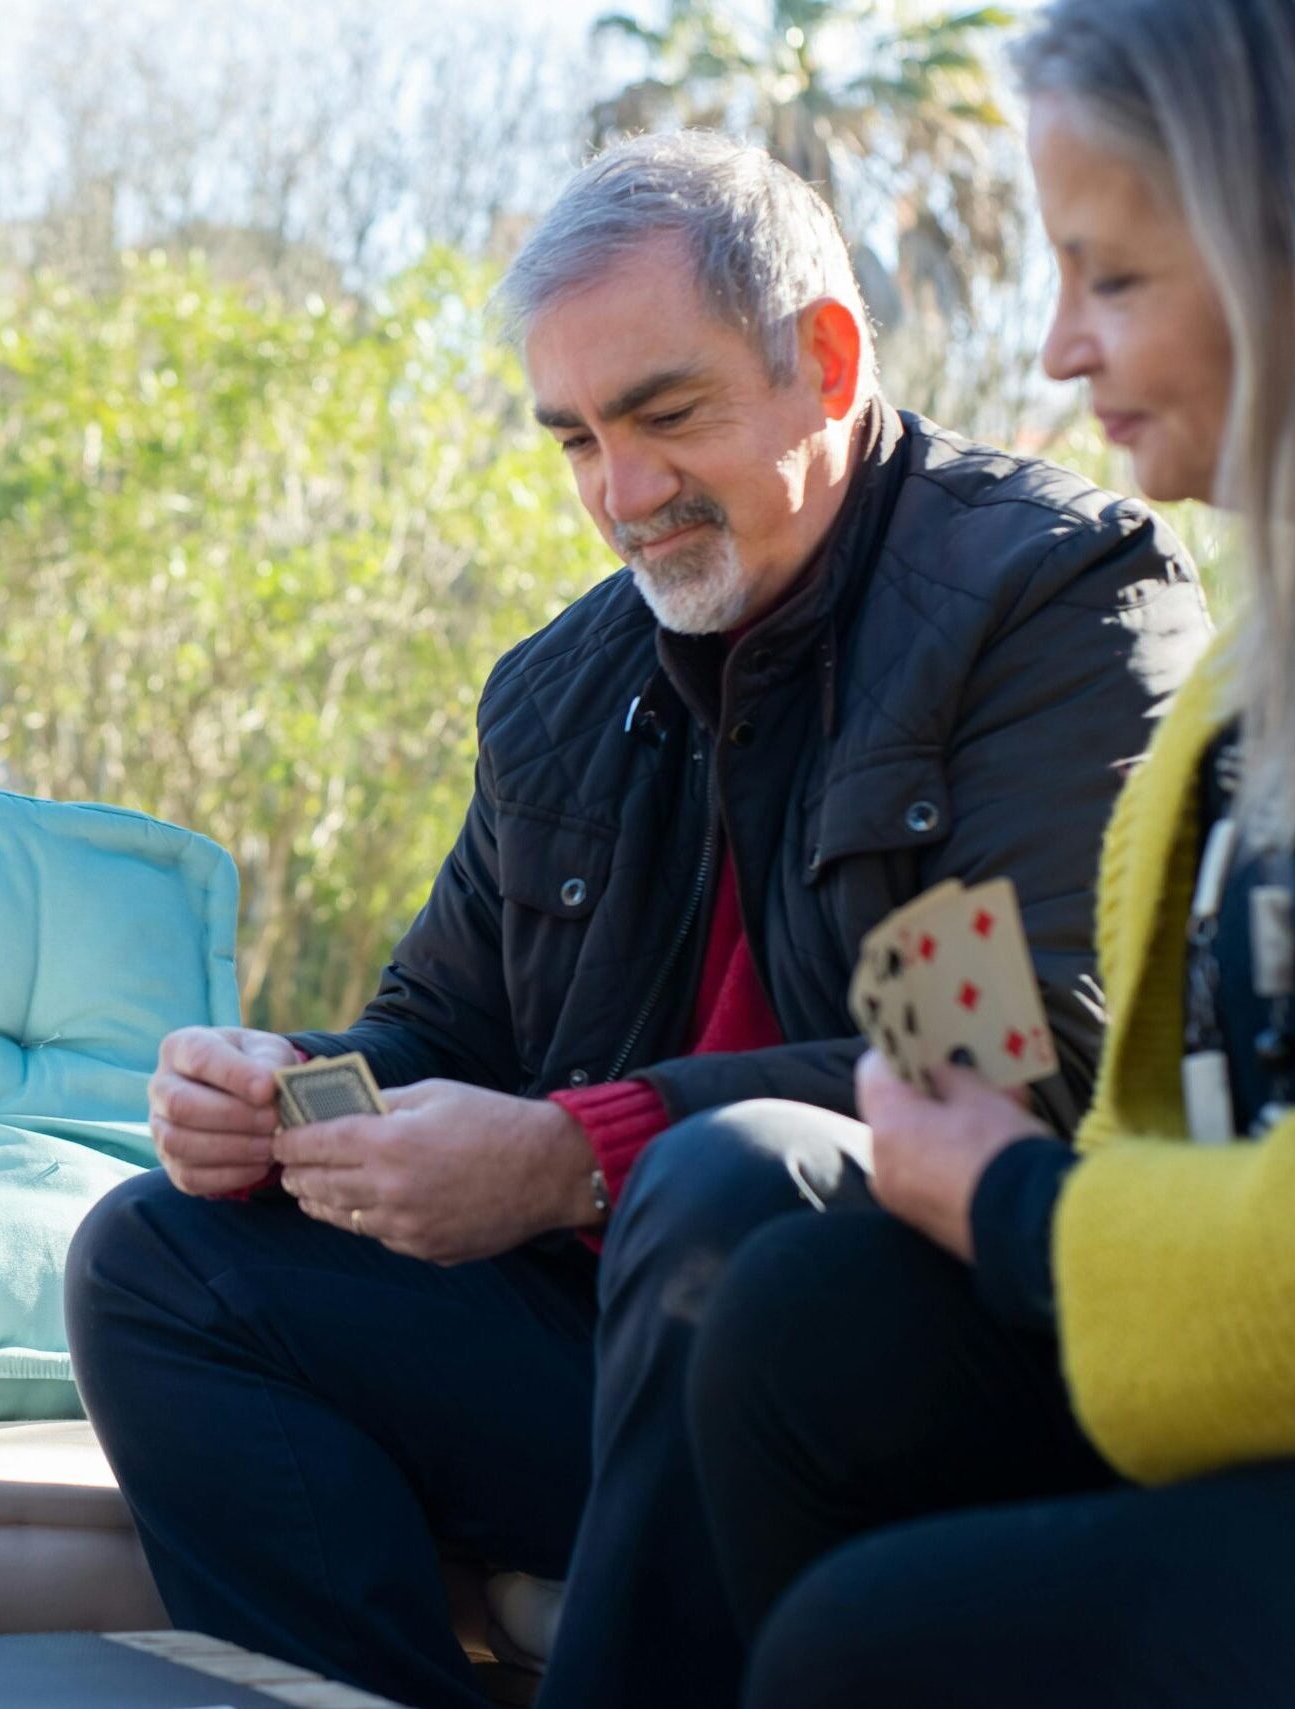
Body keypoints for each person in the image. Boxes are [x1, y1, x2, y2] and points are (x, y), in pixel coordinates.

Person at [66, 131, 1214, 1709]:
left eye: (666, 416)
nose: (623, 493)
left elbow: (1024, 1062)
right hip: (621, 1357)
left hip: (923, 1349)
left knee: (717, 1179)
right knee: (157, 1250)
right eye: (577, 441)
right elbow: (441, 1029)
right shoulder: (559, 690)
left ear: (825, 358)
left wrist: (572, 1149)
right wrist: (284, 1092)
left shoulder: (1051, 595)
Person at [684, 4, 1295, 1705]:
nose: (1056, 350)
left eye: (1114, 280)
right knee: (798, 1318)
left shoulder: (1055, 586)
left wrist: (1013, 1200)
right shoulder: (1247, 687)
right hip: (1164, 1351)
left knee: (849, 1650)